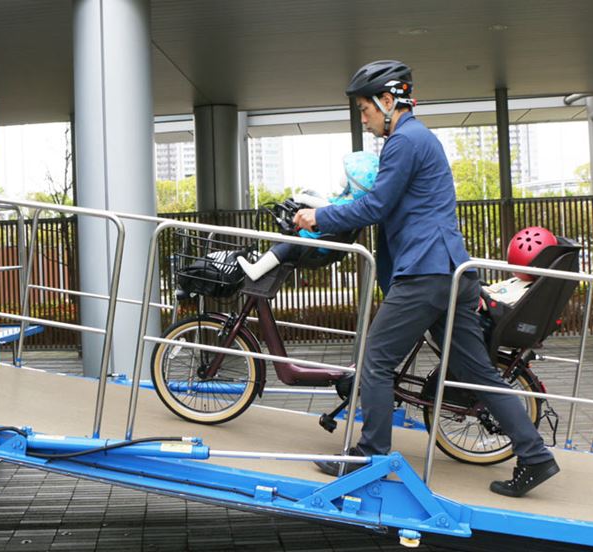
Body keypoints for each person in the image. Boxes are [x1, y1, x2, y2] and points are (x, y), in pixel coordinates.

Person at [293, 60, 559, 498]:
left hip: (426, 273)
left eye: (364, 109)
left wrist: (318, 215)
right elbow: (391, 207)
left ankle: (369, 457)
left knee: (376, 361)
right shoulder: (419, 139)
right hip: (450, 271)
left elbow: (375, 206)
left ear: (386, 100)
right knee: (477, 373)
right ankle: (536, 456)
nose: (364, 119)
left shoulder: (403, 142)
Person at [237, 151, 379, 281]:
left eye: (347, 173)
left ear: (356, 181)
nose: (343, 174)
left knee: (288, 245)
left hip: (315, 246)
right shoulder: (348, 200)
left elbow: (331, 209)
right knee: (284, 239)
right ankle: (263, 261)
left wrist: (305, 199)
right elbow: (328, 203)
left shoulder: (350, 205)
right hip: (311, 240)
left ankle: (256, 270)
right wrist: (311, 194)